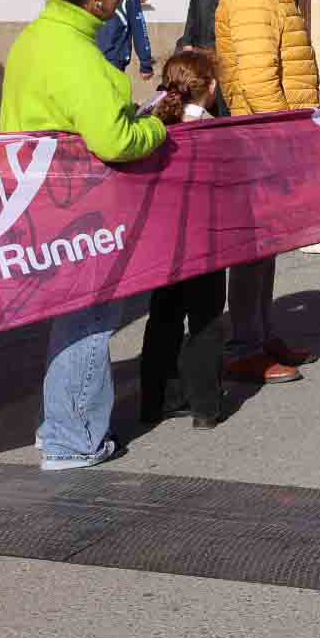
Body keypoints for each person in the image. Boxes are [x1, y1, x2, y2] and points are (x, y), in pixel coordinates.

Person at [1, 0, 170, 471]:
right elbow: (115, 140)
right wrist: (158, 129)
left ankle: (58, 425)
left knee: (72, 318)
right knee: (90, 319)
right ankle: (72, 438)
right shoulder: (77, 56)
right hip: (78, 205)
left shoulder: (37, 39)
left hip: (41, 199)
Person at [215, 0, 320, 387]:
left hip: (271, 135)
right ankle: (244, 348)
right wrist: (285, 136)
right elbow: (259, 83)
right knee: (253, 247)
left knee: (268, 242)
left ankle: (260, 334)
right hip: (261, 139)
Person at [137, 49, 227, 430]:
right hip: (205, 237)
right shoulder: (212, 129)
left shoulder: (152, 122)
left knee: (163, 316)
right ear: (212, 87)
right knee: (206, 318)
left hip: (163, 238)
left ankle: (154, 400)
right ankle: (205, 405)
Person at [97, 0, 155, 81]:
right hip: (113, 58)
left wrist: (145, 62)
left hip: (95, 56)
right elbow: (139, 30)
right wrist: (146, 64)